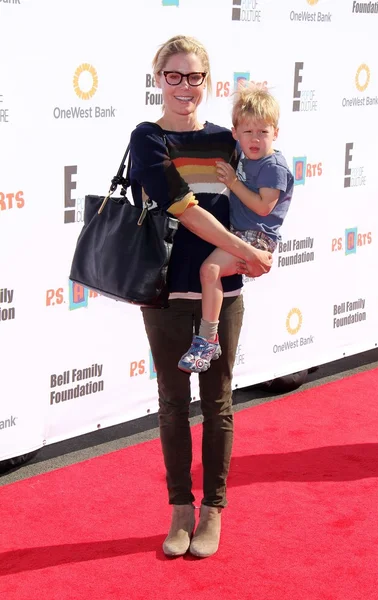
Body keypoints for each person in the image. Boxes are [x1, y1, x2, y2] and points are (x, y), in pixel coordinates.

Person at [129, 35, 273, 559]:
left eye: (194, 77)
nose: (184, 86)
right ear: (158, 78)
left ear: (207, 82)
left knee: (218, 405)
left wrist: (261, 250)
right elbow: (183, 207)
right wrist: (244, 249)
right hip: (165, 291)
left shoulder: (227, 141)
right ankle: (179, 509)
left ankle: (212, 509)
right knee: (172, 405)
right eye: (174, 75)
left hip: (224, 290)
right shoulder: (147, 138)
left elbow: (261, 202)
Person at [178, 87, 294, 373]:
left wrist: (233, 183)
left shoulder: (272, 165)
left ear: (275, 133)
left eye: (263, 132)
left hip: (257, 238)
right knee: (209, 272)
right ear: (236, 133)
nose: (255, 139)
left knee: (209, 271)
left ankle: (207, 339)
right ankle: (209, 338)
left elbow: (263, 207)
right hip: (240, 234)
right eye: (248, 132)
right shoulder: (244, 151)